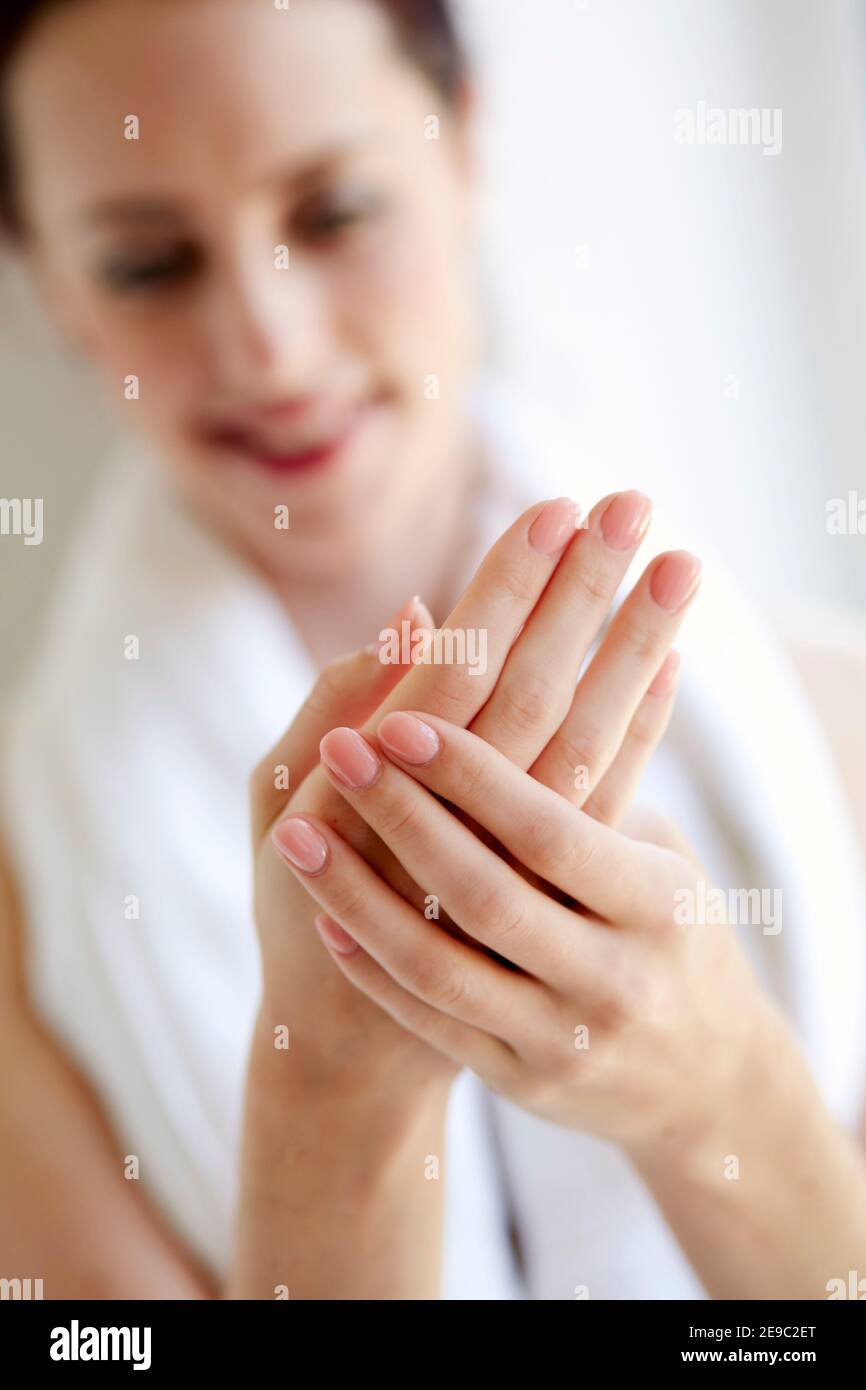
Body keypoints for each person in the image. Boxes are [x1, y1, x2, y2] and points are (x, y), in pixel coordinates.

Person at [1, 0, 866, 1301]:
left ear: (462, 152)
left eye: (335, 211)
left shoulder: (822, 718)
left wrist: (717, 1091)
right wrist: (333, 1090)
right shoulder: (25, 929)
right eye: (148, 265)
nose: (267, 346)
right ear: (51, 285)